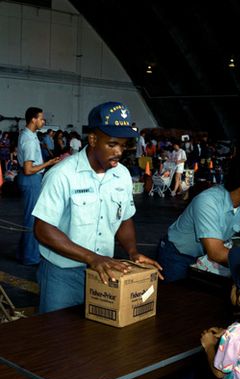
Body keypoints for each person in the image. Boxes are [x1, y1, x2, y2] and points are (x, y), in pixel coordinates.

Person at [32, 101, 163, 313]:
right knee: (57, 337)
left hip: (104, 270)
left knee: (95, 338)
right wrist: (92, 257)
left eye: (124, 145)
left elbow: (124, 218)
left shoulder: (121, 175)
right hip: (64, 274)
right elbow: (43, 229)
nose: (119, 152)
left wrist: (132, 252)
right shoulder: (63, 175)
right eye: (112, 144)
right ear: (93, 139)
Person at [157, 155, 240, 282]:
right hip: (177, 255)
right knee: (176, 296)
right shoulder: (208, 202)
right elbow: (216, 252)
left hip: (203, 257)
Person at [201, 246, 240, 379]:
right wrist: (226, 334)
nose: (231, 287)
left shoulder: (235, 334)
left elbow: (219, 372)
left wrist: (209, 346)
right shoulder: (236, 335)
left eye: (234, 284)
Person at [17, 107, 59, 265]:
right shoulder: (28, 139)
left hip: (32, 180)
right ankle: (30, 257)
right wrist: (48, 163)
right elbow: (28, 170)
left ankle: (23, 253)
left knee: (30, 217)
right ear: (33, 119)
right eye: (41, 118)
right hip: (31, 180)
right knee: (32, 220)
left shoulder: (31, 135)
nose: (43, 121)